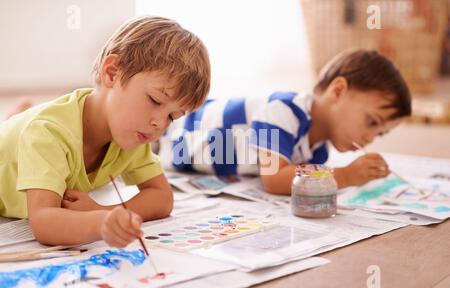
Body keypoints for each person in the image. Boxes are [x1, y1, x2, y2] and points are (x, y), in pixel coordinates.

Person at [0, 16, 211, 247]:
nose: (159, 124)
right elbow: (44, 222)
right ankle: (16, 116)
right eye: (155, 100)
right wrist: (100, 223)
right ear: (112, 73)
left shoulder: (133, 133)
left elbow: (162, 198)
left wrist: (105, 211)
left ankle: (17, 114)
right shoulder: (48, 132)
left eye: (172, 117)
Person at [159, 49, 411, 194]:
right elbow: (275, 178)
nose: (369, 138)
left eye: (379, 134)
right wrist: (344, 176)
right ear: (337, 91)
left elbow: (299, 179)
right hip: (173, 134)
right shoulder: (282, 111)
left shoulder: (318, 150)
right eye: (371, 122)